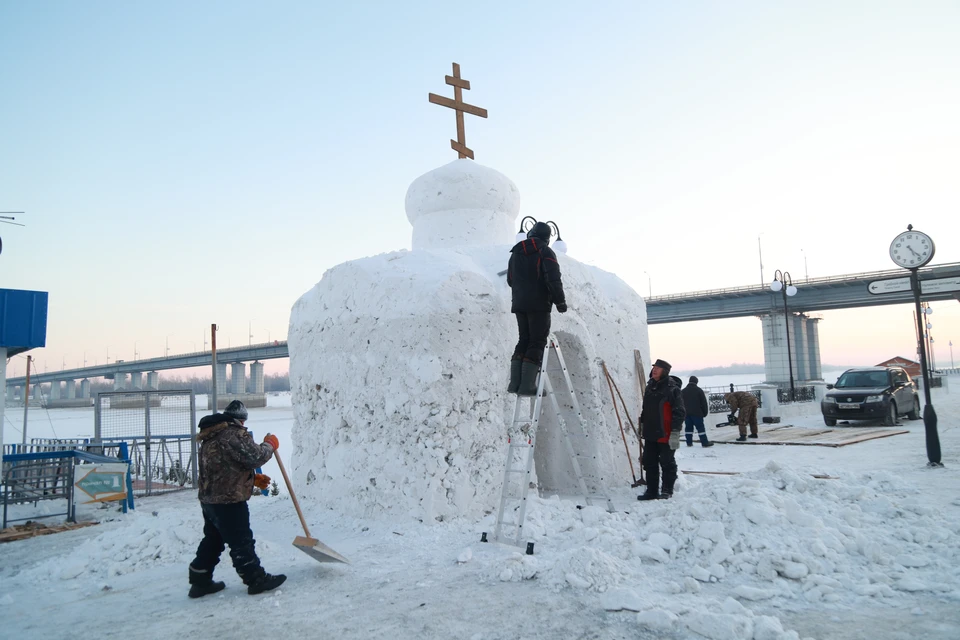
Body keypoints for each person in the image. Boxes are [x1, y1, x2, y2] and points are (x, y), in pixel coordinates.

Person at [187, 400, 287, 598]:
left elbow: (223, 466)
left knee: (213, 540)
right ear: (240, 420)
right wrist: (270, 444)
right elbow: (255, 457)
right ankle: (256, 579)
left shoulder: (211, 435)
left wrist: (252, 479)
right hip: (229, 500)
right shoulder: (233, 433)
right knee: (241, 541)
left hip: (210, 499)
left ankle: (200, 581)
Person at [506, 221, 567, 396]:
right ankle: (527, 385)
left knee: (523, 339)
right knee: (537, 341)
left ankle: (515, 383)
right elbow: (553, 279)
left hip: (519, 304)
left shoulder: (515, 253)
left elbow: (510, 280)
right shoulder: (545, 252)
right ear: (547, 238)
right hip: (539, 305)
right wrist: (560, 302)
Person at [637, 359, 685, 500]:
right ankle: (651, 491)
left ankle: (667, 490)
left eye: (658, 368)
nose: (655, 370)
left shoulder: (672, 389)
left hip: (666, 433)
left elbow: (679, 412)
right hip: (651, 433)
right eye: (654, 368)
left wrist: (675, 432)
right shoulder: (649, 387)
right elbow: (645, 410)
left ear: (665, 371)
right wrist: (642, 426)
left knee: (667, 462)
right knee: (649, 462)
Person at [682, 376, 713, 448]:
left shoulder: (683, 391)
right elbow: (704, 403)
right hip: (697, 414)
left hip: (687, 414)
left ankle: (689, 442)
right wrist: (705, 413)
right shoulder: (699, 390)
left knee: (688, 429)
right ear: (696, 382)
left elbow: (680, 403)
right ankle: (704, 442)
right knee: (700, 429)